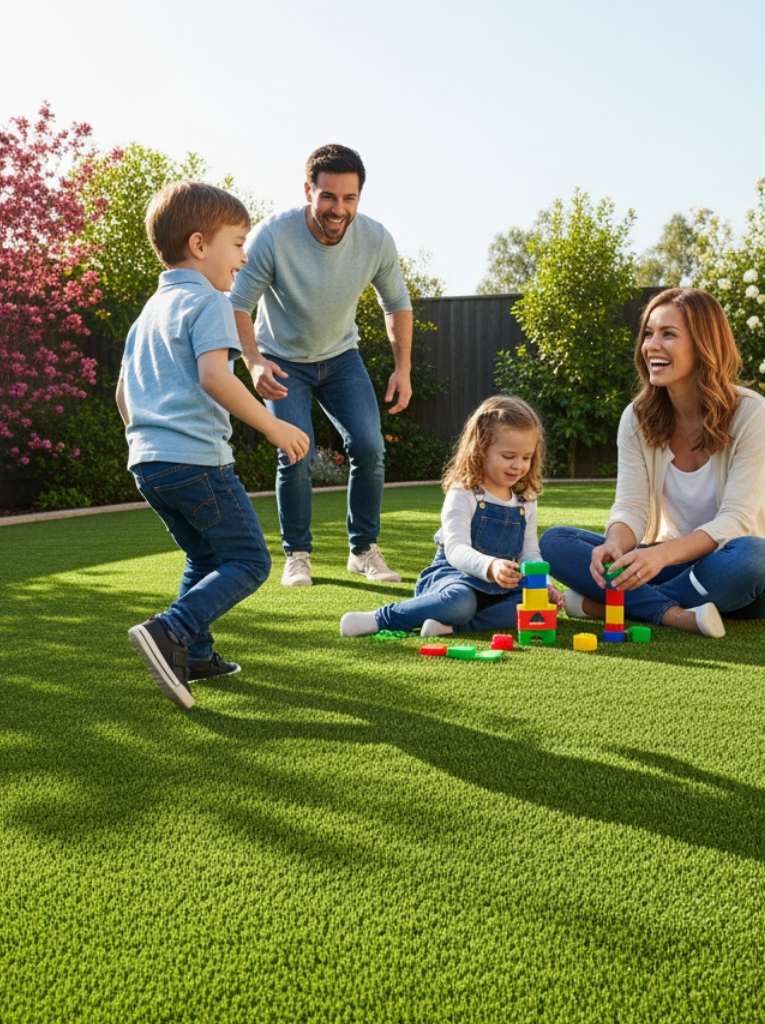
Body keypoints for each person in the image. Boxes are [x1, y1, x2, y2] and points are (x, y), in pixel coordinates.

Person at [118, 181, 310, 710]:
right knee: (248, 560)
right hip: (197, 462)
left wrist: (147, 441)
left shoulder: (149, 313)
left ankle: (196, 654)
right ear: (200, 245)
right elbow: (214, 377)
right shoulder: (209, 302)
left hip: (150, 464)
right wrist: (275, 427)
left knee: (204, 556)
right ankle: (171, 630)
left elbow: (122, 393)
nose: (244, 257)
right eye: (238, 243)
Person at [540, 287, 765, 637]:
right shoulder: (636, 418)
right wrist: (616, 542)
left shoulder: (753, 414)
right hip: (670, 565)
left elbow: (736, 521)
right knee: (555, 541)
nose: (651, 346)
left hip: (738, 569)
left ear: (704, 345)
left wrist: (658, 557)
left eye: (668, 335)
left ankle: (607, 605)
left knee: (759, 559)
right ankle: (675, 613)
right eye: (648, 334)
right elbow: (630, 505)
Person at [229, 143, 412, 588]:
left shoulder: (375, 239)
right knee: (296, 452)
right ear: (308, 190)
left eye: (349, 198)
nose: (338, 208)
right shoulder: (273, 236)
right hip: (282, 361)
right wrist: (253, 363)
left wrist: (401, 367)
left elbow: (397, 304)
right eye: (328, 196)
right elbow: (237, 305)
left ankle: (363, 549)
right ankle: (297, 555)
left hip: (341, 358)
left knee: (370, 447)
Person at [339, 395, 562, 638]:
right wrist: (490, 565)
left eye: (526, 457)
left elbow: (529, 552)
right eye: (509, 456)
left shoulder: (525, 498)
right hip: (455, 578)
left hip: (502, 587)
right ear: (481, 449)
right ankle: (381, 618)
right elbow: (455, 550)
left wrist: (545, 584)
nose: (518, 465)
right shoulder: (463, 492)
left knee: (539, 606)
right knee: (460, 602)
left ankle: (452, 627)